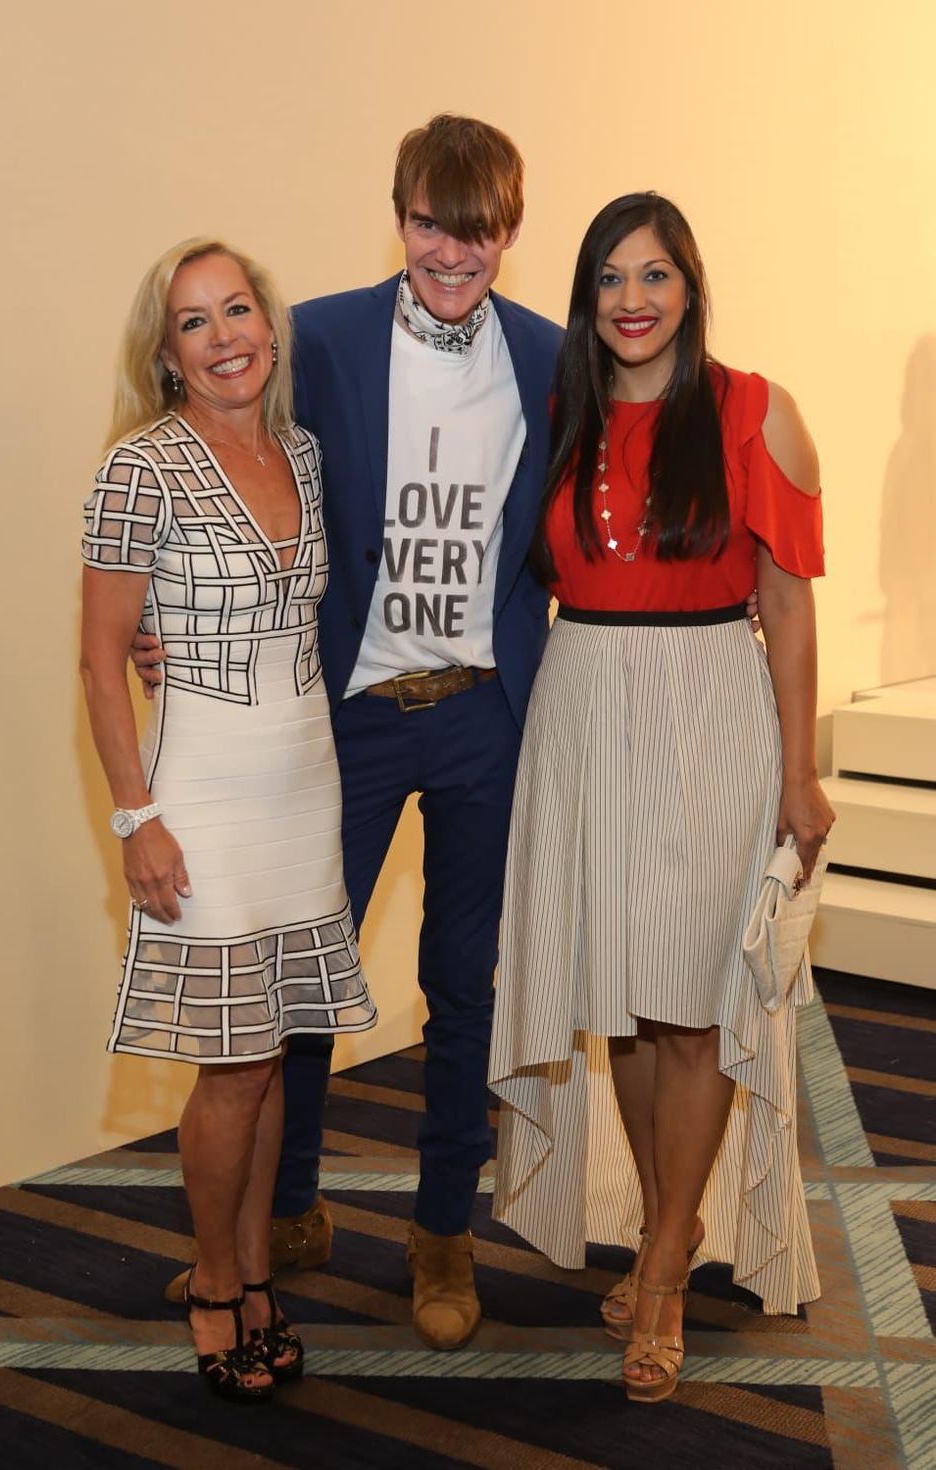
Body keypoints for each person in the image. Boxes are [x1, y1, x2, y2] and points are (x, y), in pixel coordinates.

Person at [135, 115, 563, 1350]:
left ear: (507, 233)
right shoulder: (317, 336)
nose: (451, 250)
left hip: (485, 713)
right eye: (430, 222)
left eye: (476, 230)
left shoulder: (547, 355)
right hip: (346, 718)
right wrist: (159, 617)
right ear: (400, 215)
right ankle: (290, 1209)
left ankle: (441, 1235)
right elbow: (229, 465)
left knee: (458, 984)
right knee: (304, 990)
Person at [488, 192, 834, 1402]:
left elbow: (787, 608)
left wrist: (798, 771)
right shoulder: (558, 412)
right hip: (583, 709)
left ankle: (668, 1268)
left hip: (708, 716)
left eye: (653, 276)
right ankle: (661, 1225)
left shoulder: (754, 412)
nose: (630, 302)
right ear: (587, 297)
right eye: (607, 280)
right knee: (622, 1003)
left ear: (689, 284)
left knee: (690, 1003)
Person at [81, 238, 376, 1401]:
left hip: (304, 785)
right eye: (194, 323)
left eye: (237, 310)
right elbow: (104, 664)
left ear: (269, 322)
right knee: (233, 1064)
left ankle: (257, 1272)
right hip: (198, 790)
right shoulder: (139, 468)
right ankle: (212, 1282)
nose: (223, 338)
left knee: (275, 1055)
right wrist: (134, 819)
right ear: (164, 354)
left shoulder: (299, 452)